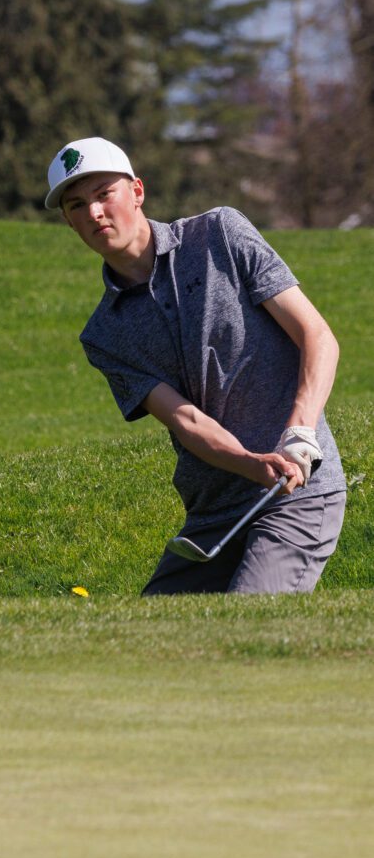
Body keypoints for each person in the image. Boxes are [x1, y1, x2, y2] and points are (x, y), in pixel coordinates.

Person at [44, 136, 346, 595]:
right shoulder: (104, 334)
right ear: (68, 221)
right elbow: (186, 419)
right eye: (76, 205)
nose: (94, 213)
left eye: (104, 194)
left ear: (137, 191)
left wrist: (301, 430)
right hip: (212, 514)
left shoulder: (219, 234)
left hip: (297, 495)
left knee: (243, 628)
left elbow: (317, 336)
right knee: (141, 647)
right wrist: (250, 464)